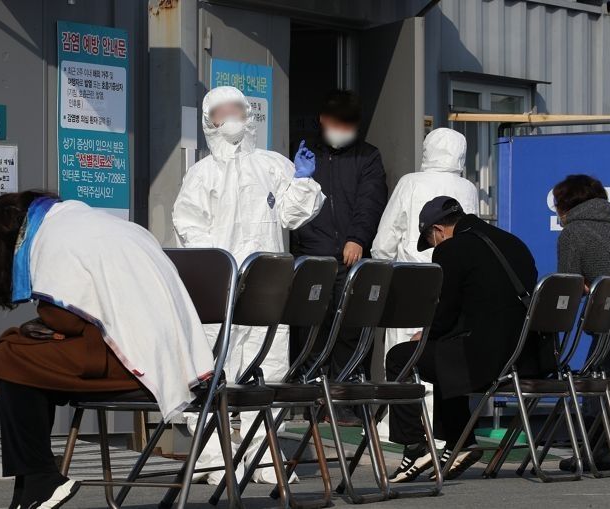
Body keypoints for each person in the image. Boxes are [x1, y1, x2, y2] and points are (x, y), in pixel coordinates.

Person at [0, 191, 214, 509]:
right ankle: (31, 486)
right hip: (173, 356)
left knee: (9, 357)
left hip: (137, 361)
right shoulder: (86, 221)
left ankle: (40, 480)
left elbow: (66, 319)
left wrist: (39, 322)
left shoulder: (54, 237)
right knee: (19, 357)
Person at [172, 86, 324, 484]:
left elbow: (295, 215)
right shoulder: (201, 173)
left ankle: (262, 456)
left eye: (239, 107)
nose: (234, 114)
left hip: (267, 289)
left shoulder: (273, 165)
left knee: (268, 370)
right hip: (219, 290)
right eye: (224, 110)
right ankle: (212, 458)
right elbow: (188, 225)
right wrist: (217, 268)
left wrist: (304, 181)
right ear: (210, 121)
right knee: (212, 371)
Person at [385, 196, 549, 482]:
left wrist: (422, 334)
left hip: (488, 362)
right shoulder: (513, 243)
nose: (434, 246)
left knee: (401, 356)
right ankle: (459, 442)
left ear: (438, 229)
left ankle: (413, 446)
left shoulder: (451, 250)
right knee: (446, 350)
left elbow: (443, 314)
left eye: (431, 240)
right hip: (527, 358)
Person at [371, 127, 479, 441]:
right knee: (441, 353)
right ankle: (440, 426)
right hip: (452, 282)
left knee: (402, 354)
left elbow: (385, 238)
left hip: (411, 278)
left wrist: (384, 263)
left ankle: (401, 426)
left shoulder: (410, 182)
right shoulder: (468, 187)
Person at [289, 89, 388, 426]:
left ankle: (347, 399)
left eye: (348, 124)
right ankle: (314, 397)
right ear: (323, 120)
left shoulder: (368, 156)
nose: (341, 129)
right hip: (313, 255)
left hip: (350, 256)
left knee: (352, 326)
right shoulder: (305, 153)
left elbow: (370, 201)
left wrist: (357, 238)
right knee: (312, 328)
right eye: (336, 122)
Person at [552, 174, 610, 472]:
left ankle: (600, 452)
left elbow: (569, 284)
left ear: (564, 205)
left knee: (596, 376)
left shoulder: (573, 232)